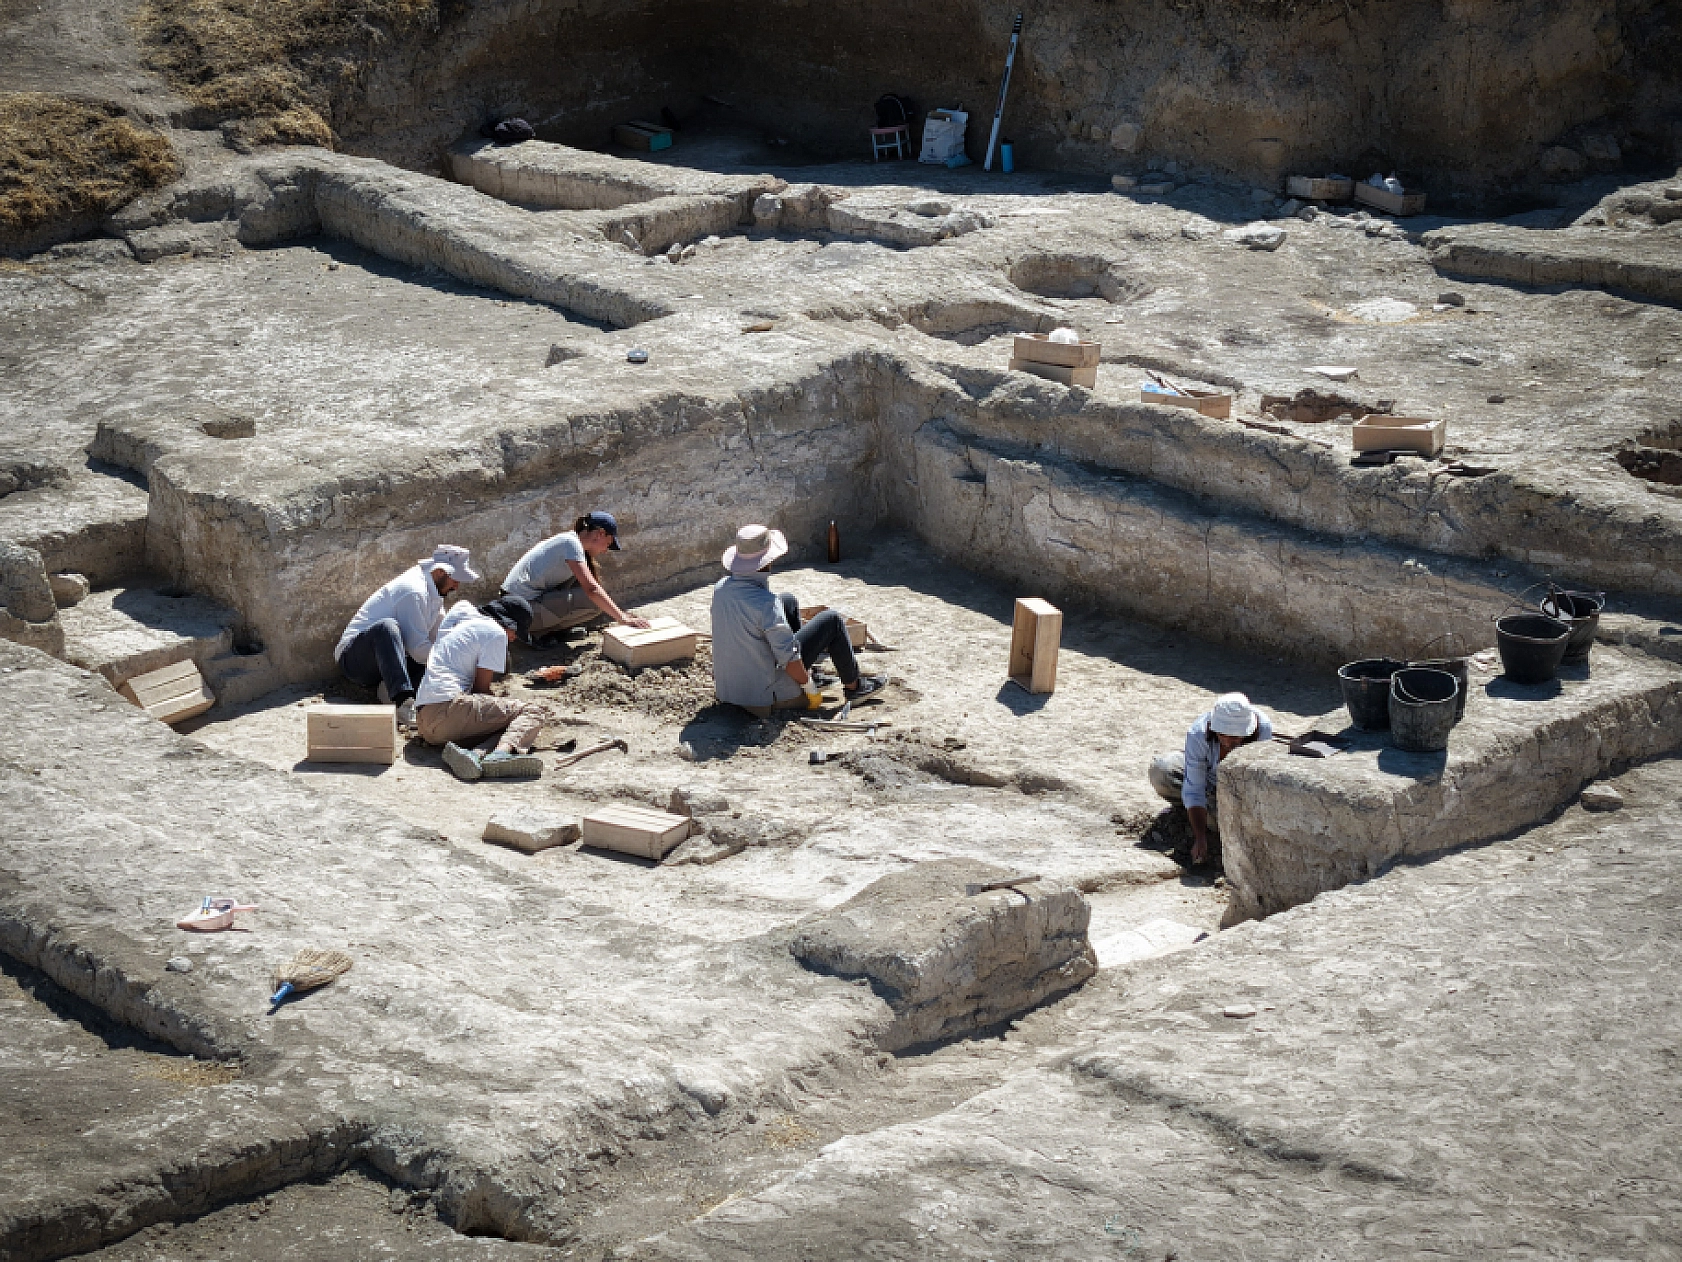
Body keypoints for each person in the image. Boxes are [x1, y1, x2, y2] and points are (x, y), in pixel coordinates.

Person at [709, 523, 887, 717]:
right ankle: (854, 687)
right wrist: (808, 687)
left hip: (731, 689)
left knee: (787, 600)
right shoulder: (766, 604)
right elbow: (788, 656)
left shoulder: (721, 588)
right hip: (764, 695)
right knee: (832, 620)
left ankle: (807, 671)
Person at [336, 546, 479, 725]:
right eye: (455, 580)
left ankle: (388, 690)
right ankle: (403, 702)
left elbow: (439, 635)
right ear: (441, 572)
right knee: (387, 627)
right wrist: (450, 659)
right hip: (356, 661)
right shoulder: (413, 591)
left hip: (394, 662)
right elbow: (418, 649)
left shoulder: (434, 591)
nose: (456, 586)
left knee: (439, 668)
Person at [414, 595, 548, 782]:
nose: (514, 638)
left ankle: (474, 755)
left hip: (425, 720)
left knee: (504, 723)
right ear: (509, 624)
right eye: (516, 632)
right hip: (450, 709)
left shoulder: (462, 622)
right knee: (531, 712)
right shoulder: (495, 632)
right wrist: (501, 702)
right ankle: (500, 755)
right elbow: (481, 690)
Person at [1148, 692, 1273, 866]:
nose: (1228, 743)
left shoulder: (1263, 730)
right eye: (1223, 736)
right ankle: (1192, 814)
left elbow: (1257, 783)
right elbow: (1194, 788)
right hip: (1207, 778)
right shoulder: (1198, 732)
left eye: (1235, 738)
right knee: (1161, 772)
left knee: (1227, 823)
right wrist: (1200, 839)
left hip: (1237, 788)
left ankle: (1206, 815)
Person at [501, 512, 651, 645]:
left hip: (516, 608)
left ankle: (545, 632)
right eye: (608, 543)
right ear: (600, 533)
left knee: (584, 590)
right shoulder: (571, 544)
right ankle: (536, 635)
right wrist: (622, 618)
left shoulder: (568, 540)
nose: (605, 550)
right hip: (520, 613)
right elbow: (592, 589)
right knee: (594, 601)